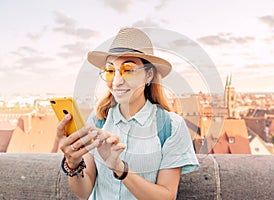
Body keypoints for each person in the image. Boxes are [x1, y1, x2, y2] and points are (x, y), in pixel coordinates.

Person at [56, 27, 199, 200]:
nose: (116, 81)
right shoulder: (98, 120)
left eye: (128, 70)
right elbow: (84, 192)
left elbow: (167, 196)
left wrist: (119, 168)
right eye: (110, 71)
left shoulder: (171, 126)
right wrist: (73, 164)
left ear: (149, 75)